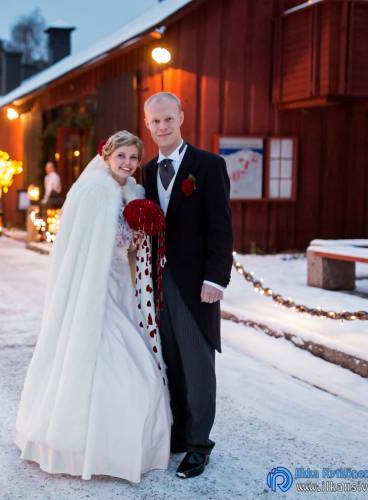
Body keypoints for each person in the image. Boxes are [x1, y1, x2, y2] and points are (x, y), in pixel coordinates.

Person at [16, 131, 172, 483]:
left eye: (133, 158)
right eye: (122, 157)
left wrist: (141, 227)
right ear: (107, 156)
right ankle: (87, 445)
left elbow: (128, 244)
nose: (127, 164)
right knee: (107, 355)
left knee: (135, 357)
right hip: (94, 283)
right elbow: (91, 240)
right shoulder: (93, 190)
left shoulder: (132, 190)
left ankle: (130, 445)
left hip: (121, 283)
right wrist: (131, 232)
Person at [141, 92, 233, 479]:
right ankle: (179, 433)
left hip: (197, 286)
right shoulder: (145, 172)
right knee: (172, 364)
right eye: (155, 121)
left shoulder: (208, 166)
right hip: (157, 286)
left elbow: (221, 227)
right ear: (148, 125)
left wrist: (216, 278)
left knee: (198, 367)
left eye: (168, 118)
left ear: (180, 117)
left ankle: (198, 446)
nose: (162, 126)